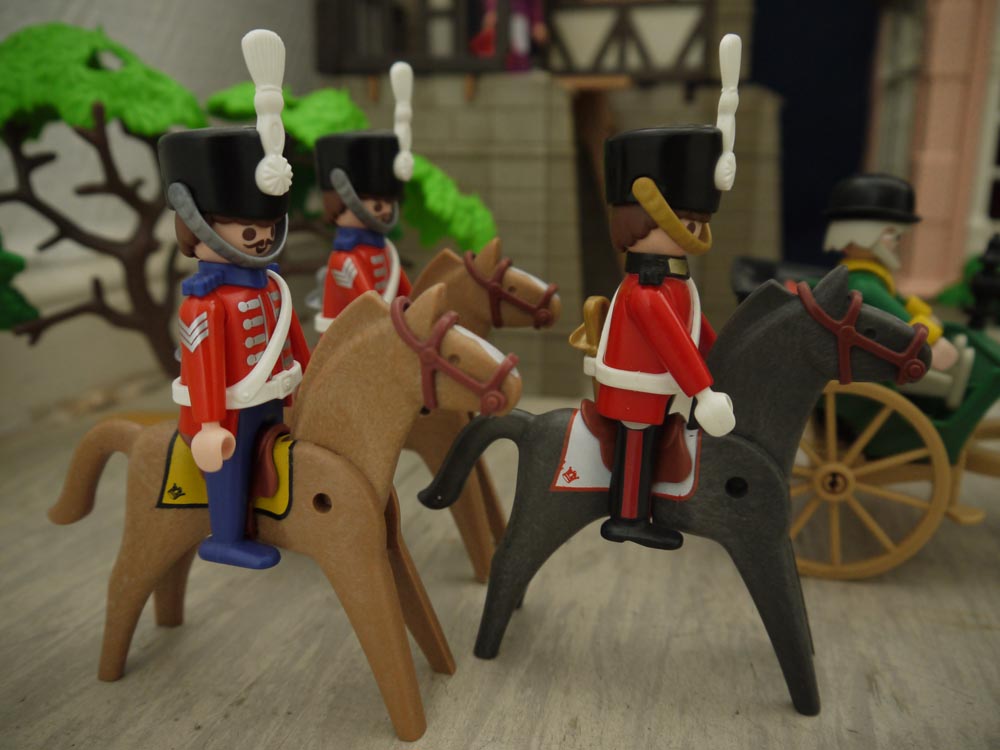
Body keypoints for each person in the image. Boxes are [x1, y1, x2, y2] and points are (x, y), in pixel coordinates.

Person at [159, 30, 310, 569]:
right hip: (227, 408)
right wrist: (207, 425)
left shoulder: (271, 284)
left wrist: (310, 374)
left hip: (273, 391)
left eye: (268, 229)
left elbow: (290, 333)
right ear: (196, 226)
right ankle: (225, 536)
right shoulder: (203, 303)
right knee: (234, 463)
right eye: (250, 232)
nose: (263, 241)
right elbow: (203, 366)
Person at [824, 174, 973, 408]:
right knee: (949, 364)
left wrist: (922, 314)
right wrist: (933, 340)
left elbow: (897, 301)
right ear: (869, 235)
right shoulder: (863, 283)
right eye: (895, 235)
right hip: (874, 359)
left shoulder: (867, 274)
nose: (897, 243)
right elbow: (901, 320)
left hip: (872, 348)